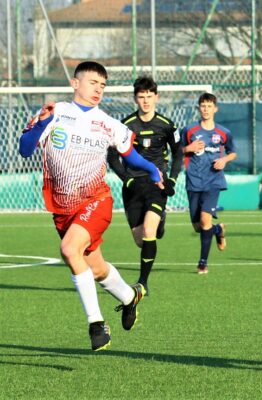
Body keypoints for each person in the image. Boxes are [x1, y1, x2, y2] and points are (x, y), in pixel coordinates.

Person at [18, 61, 163, 351]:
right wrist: (43, 124)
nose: (98, 89)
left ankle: (96, 324)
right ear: (75, 83)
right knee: (95, 267)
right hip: (62, 208)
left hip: (96, 200)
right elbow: (24, 149)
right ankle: (129, 297)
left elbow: (129, 155)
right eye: (93, 82)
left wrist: (152, 170)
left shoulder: (109, 124)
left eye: (102, 85)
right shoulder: (55, 113)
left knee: (70, 250)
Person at [107, 76, 182, 295]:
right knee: (141, 241)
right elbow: (112, 158)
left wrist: (171, 180)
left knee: (149, 231)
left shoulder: (167, 125)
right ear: (135, 98)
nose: (146, 101)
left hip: (156, 184)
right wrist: (127, 179)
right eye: (141, 97)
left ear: (156, 97)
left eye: (150, 97)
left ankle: (142, 282)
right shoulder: (125, 126)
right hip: (132, 186)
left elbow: (178, 154)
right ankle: (160, 223)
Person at [181, 92, 237, 274]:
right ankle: (218, 230)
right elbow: (178, 151)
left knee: (205, 220)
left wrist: (224, 160)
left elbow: (233, 152)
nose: (206, 109)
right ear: (199, 108)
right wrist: (187, 148)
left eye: (209, 106)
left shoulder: (223, 132)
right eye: (203, 106)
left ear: (215, 109)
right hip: (194, 181)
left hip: (214, 180)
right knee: (199, 227)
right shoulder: (189, 131)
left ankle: (202, 263)